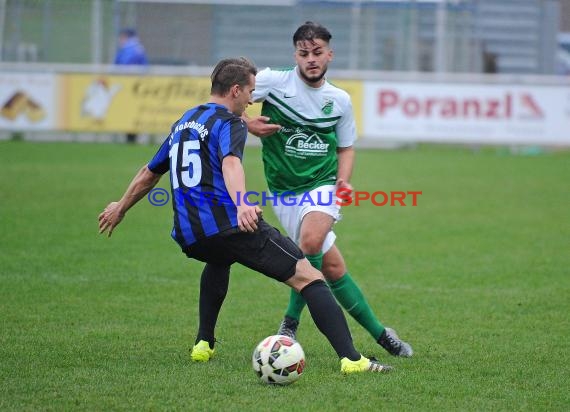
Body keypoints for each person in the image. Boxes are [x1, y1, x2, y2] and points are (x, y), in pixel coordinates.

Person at [98, 57, 392, 374]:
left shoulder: (184, 121)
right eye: (250, 91)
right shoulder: (232, 123)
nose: (252, 99)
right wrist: (242, 203)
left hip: (190, 236)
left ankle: (203, 343)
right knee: (311, 278)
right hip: (230, 225)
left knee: (219, 257)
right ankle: (352, 360)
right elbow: (231, 164)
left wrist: (121, 206)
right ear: (235, 90)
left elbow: (149, 172)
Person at [243, 22, 413, 357]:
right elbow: (227, 102)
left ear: (329, 55)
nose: (311, 59)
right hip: (282, 191)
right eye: (304, 53)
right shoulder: (272, 81)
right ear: (295, 55)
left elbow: (346, 147)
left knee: (310, 243)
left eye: (317, 53)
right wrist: (247, 123)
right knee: (332, 269)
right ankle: (382, 334)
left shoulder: (339, 100)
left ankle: (290, 321)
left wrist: (343, 180)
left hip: (322, 186)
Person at [114, 28, 148, 143]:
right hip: (137, 87)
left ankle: (130, 137)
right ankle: (133, 136)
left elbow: (119, 66)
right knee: (134, 110)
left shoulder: (127, 49)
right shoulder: (139, 49)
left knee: (127, 111)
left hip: (127, 87)